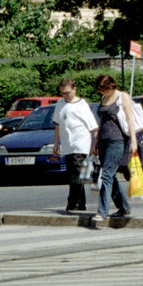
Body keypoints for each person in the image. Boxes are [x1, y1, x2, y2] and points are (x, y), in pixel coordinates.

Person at [90, 74, 138, 223]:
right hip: (103, 140)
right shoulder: (103, 99)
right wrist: (95, 143)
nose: (102, 93)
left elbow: (130, 118)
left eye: (104, 89)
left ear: (111, 86)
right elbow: (102, 122)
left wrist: (133, 141)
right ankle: (123, 207)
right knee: (109, 176)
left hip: (117, 141)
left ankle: (102, 212)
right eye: (100, 90)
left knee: (106, 175)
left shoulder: (122, 97)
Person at [52, 77, 98, 213]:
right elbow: (57, 124)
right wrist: (56, 144)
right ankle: (80, 204)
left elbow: (93, 126)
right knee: (73, 173)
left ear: (74, 89)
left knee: (76, 174)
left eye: (68, 93)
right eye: (63, 93)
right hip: (67, 145)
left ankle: (72, 203)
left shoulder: (81, 104)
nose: (65, 96)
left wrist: (95, 145)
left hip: (80, 143)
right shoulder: (60, 103)